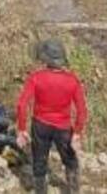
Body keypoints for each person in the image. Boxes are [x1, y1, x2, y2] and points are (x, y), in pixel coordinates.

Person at [16, 40, 88, 194]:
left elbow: (22, 105)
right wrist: (77, 133)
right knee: (70, 161)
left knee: (39, 161)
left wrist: (21, 129)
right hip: (63, 128)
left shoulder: (35, 77)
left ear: (45, 59)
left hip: (40, 125)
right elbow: (82, 110)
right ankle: (73, 190)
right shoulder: (72, 80)